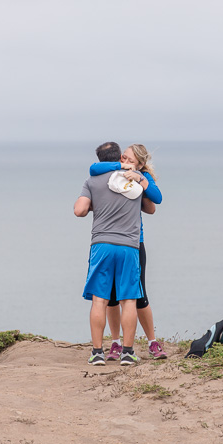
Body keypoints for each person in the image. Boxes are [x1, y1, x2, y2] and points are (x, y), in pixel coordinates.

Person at [74, 142, 151, 366]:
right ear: (119, 157)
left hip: (102, 245)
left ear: (100, 160)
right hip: (129, 246)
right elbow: (151, 206)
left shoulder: (92, 182)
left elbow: (79, 210)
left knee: (100, 300)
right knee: (128, 300)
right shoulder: (134, 179)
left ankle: (98, 353)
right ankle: (127, 352)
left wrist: (92, 205)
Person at [89, 144, 167, 359]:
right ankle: (115, 343)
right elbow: (94, 169)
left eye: (130, 159)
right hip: (113, 243)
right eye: (124, 157)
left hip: (134, 243)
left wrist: (139, 178)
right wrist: (122, 166)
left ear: (140, 164)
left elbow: (155, 201)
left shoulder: (141, 177)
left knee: (138, 296)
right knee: (112, 298)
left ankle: (152, 342)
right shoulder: (114, 174)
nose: (125, 161)